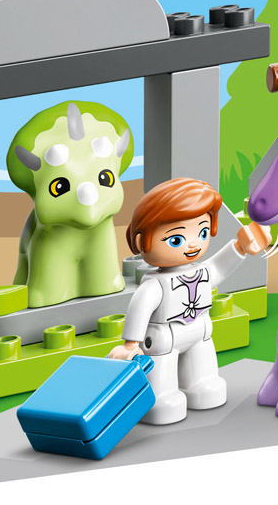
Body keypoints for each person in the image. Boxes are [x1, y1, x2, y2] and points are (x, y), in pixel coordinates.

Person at [109, 178, 269, 424]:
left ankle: (200, 383)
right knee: (161, 380)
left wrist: (241, 247)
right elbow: (139, 308)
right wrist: (131, 343)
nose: (193, 243)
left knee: (204, 376)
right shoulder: (154, 284)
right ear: (142, 242)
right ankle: (160, 397)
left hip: (199, 331)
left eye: (202, 232)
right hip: (165, 338)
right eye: (176, 239)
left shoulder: (201, 271)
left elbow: (219, 267)